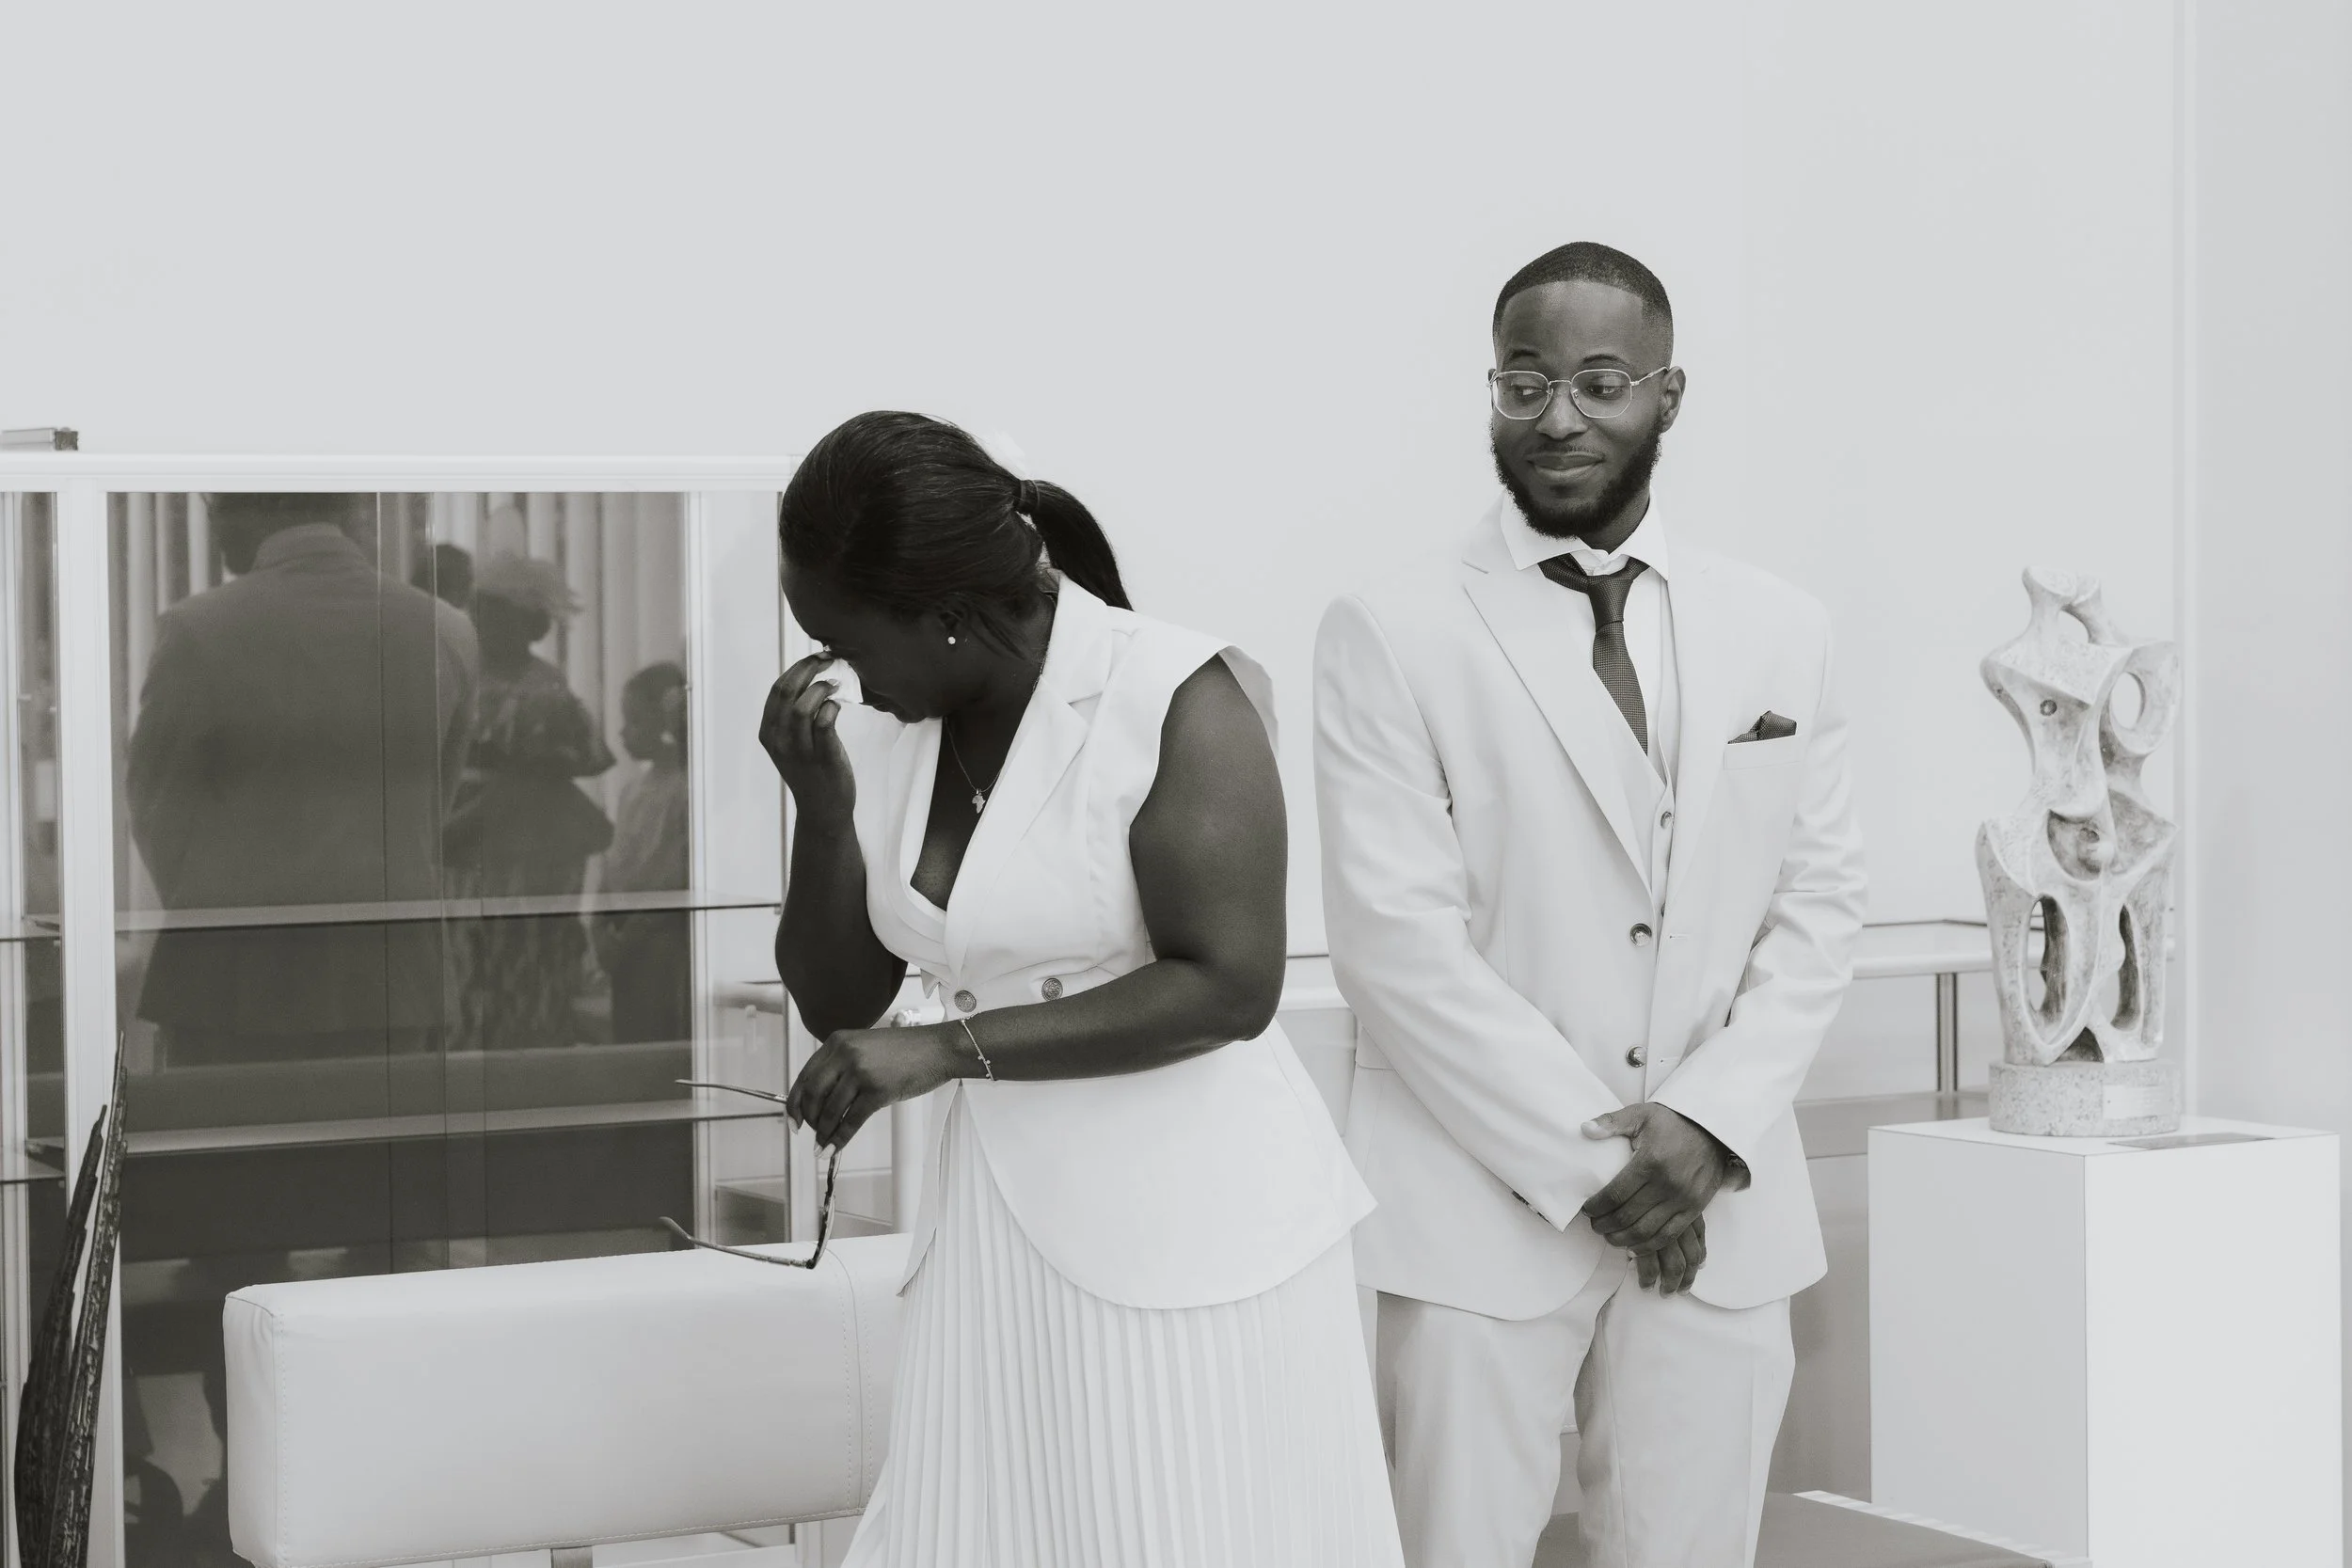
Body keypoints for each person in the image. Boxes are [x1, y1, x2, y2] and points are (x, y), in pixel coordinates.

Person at [764, 411, 1403, 1568]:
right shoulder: (899, 726)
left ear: (945, 615)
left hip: (1190, 1237)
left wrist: (944, 1048)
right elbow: (841, 1001)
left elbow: (1230, 984)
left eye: (843, 638)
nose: (833, 671)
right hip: (994, 1242)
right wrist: (818, 807)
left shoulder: (1175, 693)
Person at [1312, 243, 1867, 1568]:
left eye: (1600, 383)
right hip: (1478, 1212)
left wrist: (1707, 1125)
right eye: (1525, 383)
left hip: (1720, 1209)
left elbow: (1820, 901)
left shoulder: (1782, 626)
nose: (1557, 417)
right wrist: (1606, 1165)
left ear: (1668, 394)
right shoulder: (1390, 627)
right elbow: (1397, 945)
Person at [444, 552, 615, 1051]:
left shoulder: (545, 687)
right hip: (466, 853)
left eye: (494, 611)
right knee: (468, 965)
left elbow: (574, 759)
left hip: (531, 854)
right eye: (477, 608)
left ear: (529, 622)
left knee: (526, 967)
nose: (480, 620)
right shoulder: (456, 674)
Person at [592, 660, 692, 1044]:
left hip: (658, 940)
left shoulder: (684, 791)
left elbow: (673, 873)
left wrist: (633, 931)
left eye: (634, 720)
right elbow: (614, 861)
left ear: (664, 723)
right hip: (625, 939)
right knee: (629, 1034)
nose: (623, 731)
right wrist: (600, 923)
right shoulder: (631, 790)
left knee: (656, 1034)